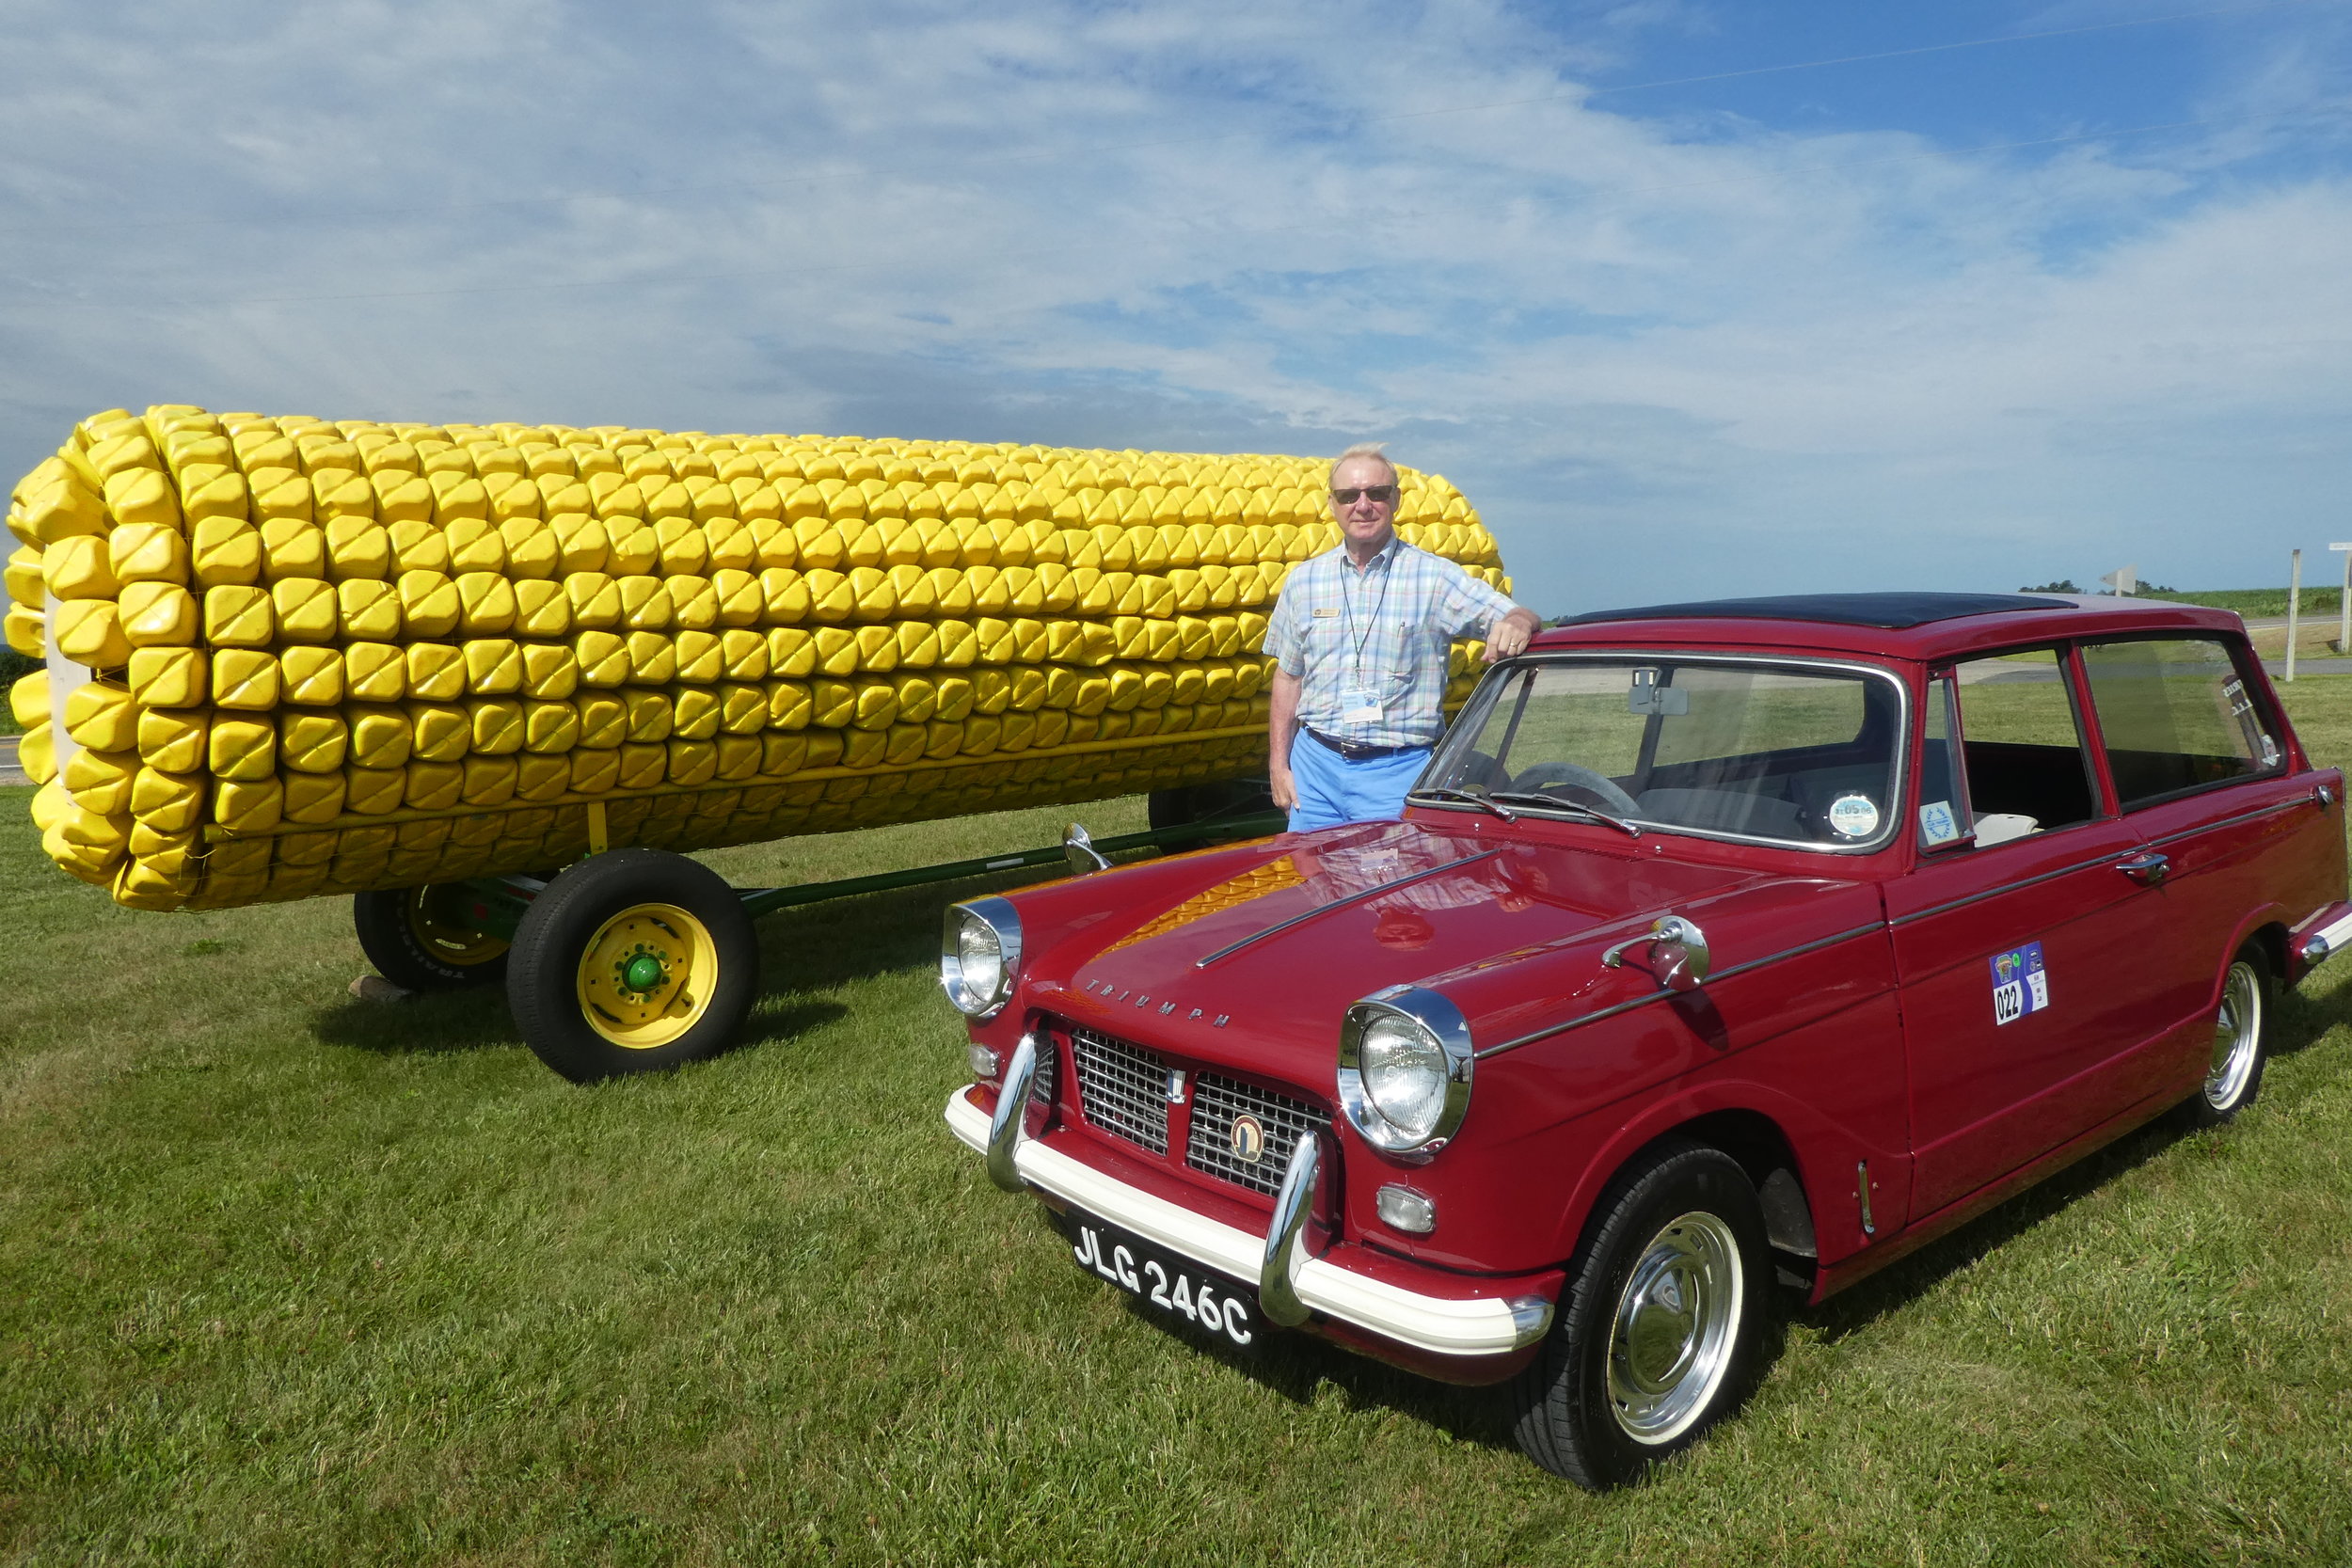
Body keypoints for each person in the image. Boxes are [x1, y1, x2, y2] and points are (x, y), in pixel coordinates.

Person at [1264, 443, 1541, 832]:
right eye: (1349, 496)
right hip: (1315, 768)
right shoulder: (1305, 581)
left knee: (1389, 889)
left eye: (1376, 493)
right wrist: (1279, 765)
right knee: (1313, 886)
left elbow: (1516, 614)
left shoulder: (1434, 579)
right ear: (1332, 504)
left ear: (1395, 499)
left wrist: (1518, 622)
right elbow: (1289, 676)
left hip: (1397, 770)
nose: (1362, 505)